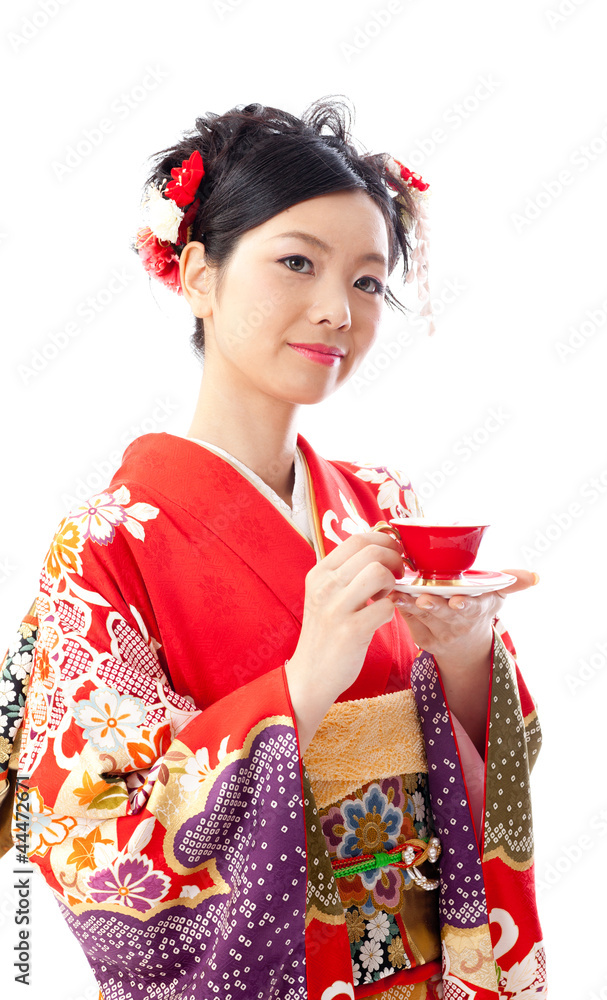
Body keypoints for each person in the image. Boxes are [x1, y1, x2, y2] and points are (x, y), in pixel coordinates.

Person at [0, 97, 546, 999]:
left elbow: (503, 758)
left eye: (368, 282)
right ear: (198, 274)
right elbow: (83, 827)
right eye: (297, 262)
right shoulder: (106, 544)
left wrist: (464, 658)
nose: (337, 309)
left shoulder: (384, 508)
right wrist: (300, 686)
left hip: (412, 970)